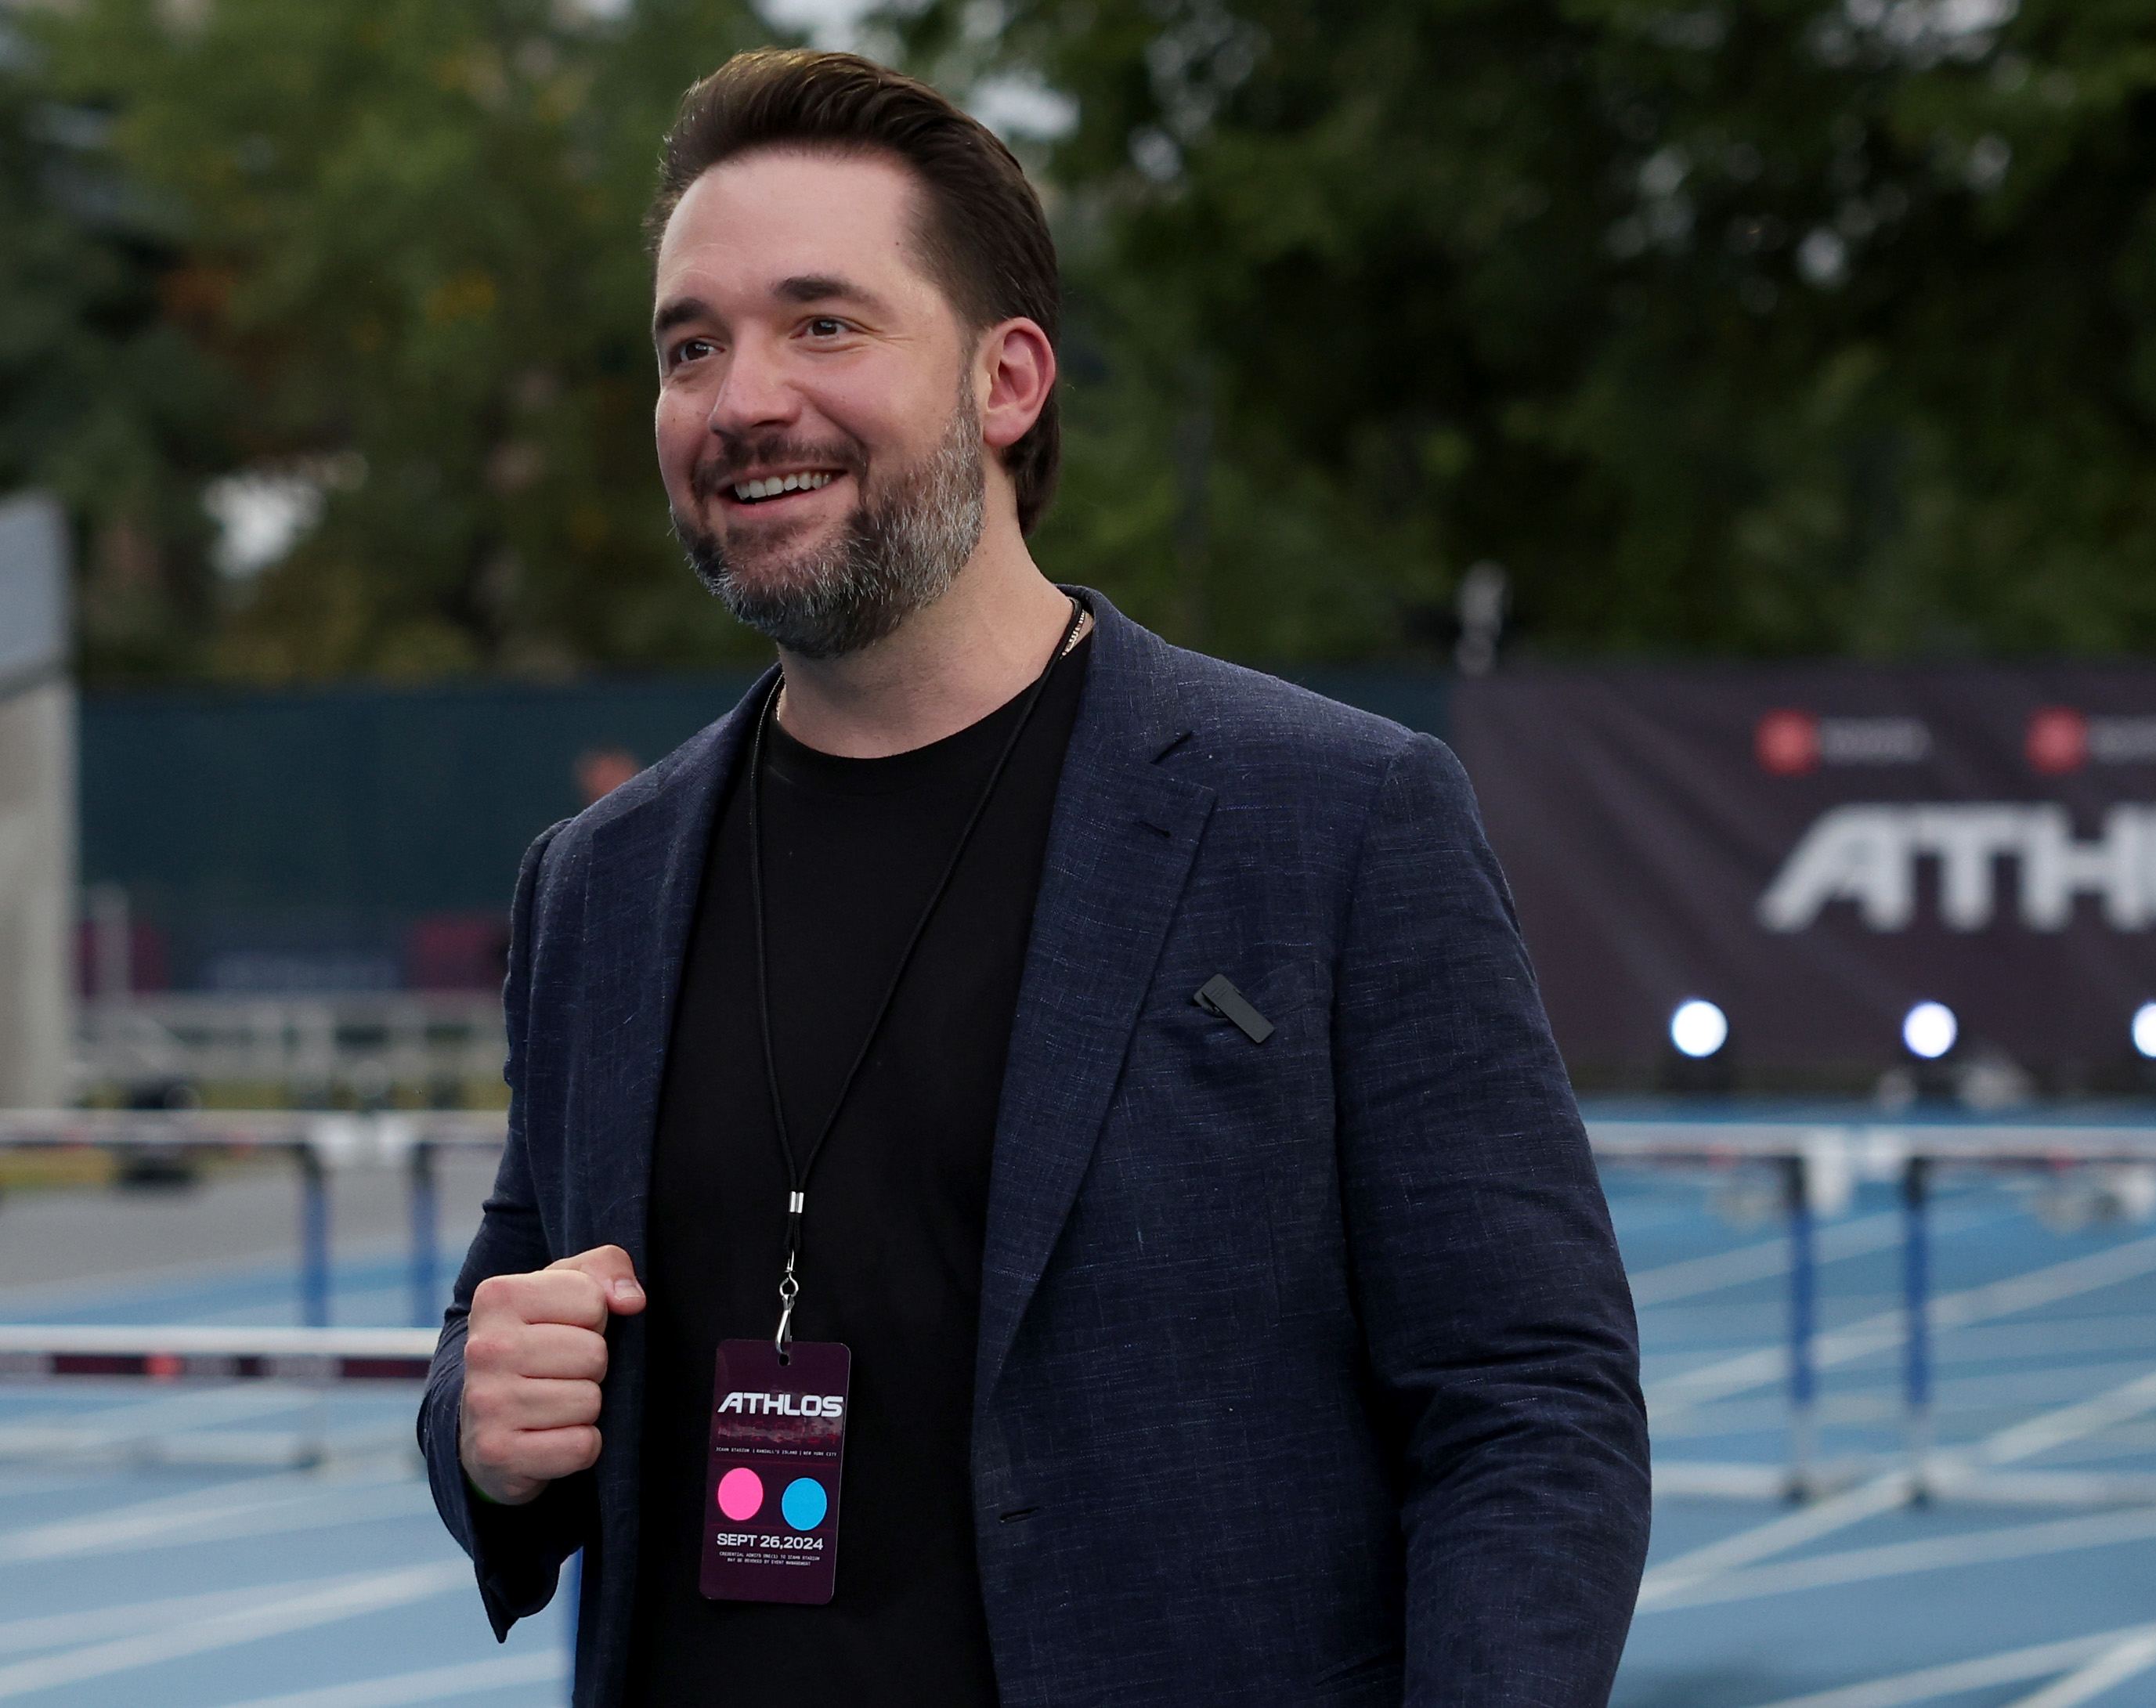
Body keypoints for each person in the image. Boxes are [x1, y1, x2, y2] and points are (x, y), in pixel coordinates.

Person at [418, 46, 1649, 1708]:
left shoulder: (1335, 819)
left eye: (821, 324)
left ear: (1007, 382)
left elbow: (1528, 1400)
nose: (740, 398)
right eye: (689, 345)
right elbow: (510, 1320)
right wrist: (482, 1429)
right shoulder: (599, 885)